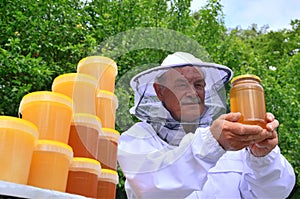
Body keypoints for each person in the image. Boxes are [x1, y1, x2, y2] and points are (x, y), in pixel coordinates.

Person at [117, 52, 295, 198]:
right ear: (160, 91)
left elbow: (274, 193)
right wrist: (213, 144)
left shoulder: (232, 137)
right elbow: (148, 188)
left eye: (198, 84)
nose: (193, 92)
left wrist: (263, 158)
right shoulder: (137, 138)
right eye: (181, 84)